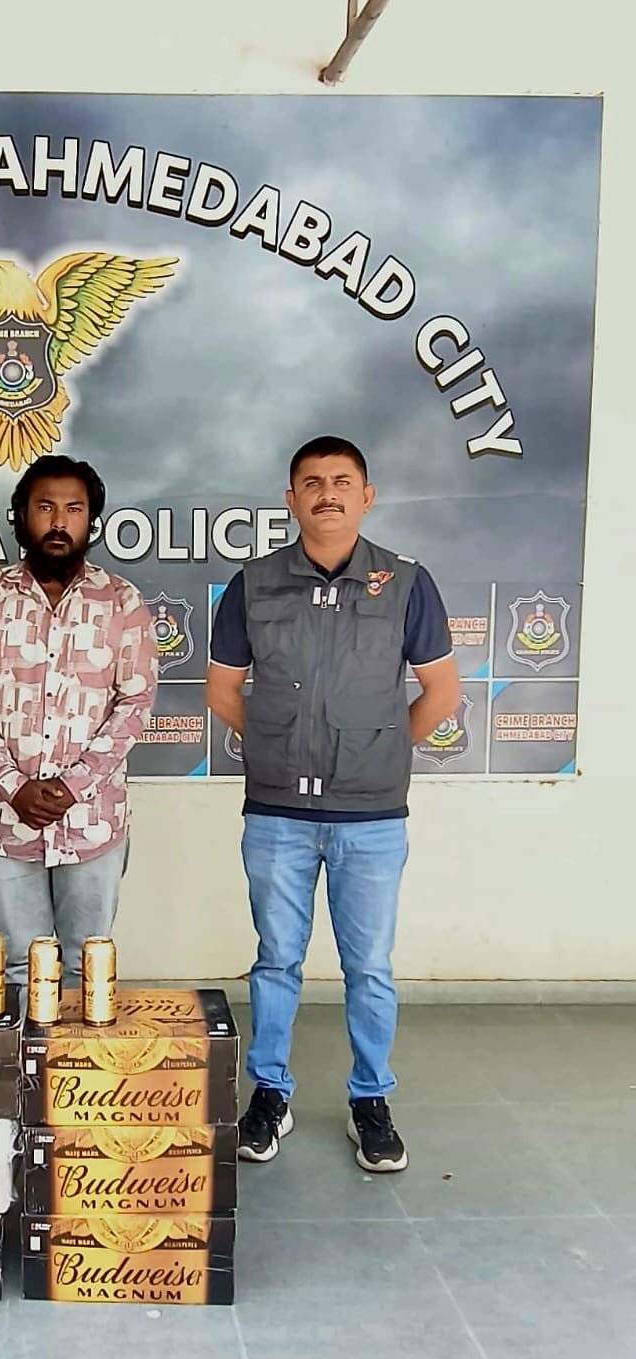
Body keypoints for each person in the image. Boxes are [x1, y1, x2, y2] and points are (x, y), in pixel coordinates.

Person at [206, 436, 460, 1174]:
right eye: (312, 483)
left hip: (371, 818)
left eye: (342, 481)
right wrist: (277, 747)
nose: (327, 493)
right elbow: (223, 690)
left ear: (366, 496)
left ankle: (370, 1100)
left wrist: (381, 751)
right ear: (291, 500)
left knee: (369, 967)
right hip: (278, 813)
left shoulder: (406, 584)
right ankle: (269, 1095)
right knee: (275, 961)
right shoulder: (253, 584)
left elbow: (442, 693)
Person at [0, 455, 158, 986]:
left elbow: (135, 703)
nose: (59, 522)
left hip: (91, 822)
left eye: (74, 509)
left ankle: (74, 1050)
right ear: (20, 515)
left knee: (86, 971)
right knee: (21, 970)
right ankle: (29, 1049)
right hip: (6, 819)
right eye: (45, 507)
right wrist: (13, 786)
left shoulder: (122, 602)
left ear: (92, 521)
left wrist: (73, 786)